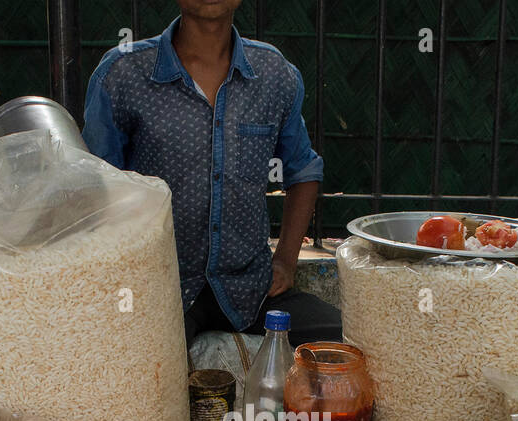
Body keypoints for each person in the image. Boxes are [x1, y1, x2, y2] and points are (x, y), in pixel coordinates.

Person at [82, 0, 341, 346]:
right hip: (161, 289)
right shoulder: (125, 73)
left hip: (250, 289)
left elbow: (304, 170)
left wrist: (286, 262)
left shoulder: (273, 73)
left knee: (349, 341)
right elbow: (95, 186)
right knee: (142, 372)